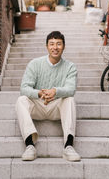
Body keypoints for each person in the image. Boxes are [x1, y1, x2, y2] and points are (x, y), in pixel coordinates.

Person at [15, 31, 81, 162]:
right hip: (38, 106)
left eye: (58, 44)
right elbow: (24, 88)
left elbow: (70, 89)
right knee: (21, 100)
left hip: (56, 107)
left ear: (64, 46)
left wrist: (55, 91)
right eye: (51, 44)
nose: (55, 47)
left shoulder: (70, 67)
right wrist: (39, 93)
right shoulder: (35, 64)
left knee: (69, 100)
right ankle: (29, 145)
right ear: (46, 46)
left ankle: (68, 146)